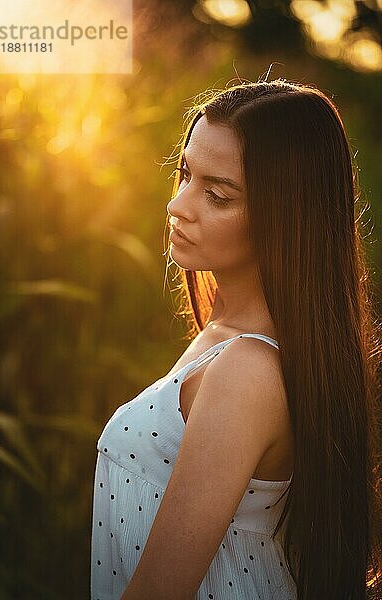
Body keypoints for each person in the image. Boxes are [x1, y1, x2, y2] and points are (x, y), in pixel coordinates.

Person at [90, 78, 382, 599]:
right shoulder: (228, 337)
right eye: (184, 174)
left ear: (285, 216)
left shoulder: (247, 370)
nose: (179, 205)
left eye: (217, 194)